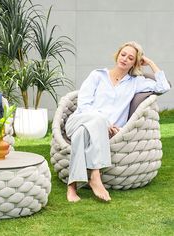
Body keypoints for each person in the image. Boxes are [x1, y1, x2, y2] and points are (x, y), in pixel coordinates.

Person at [65, 41, 171, 202]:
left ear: (134, 63)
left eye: (131, 58)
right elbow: (84, 105)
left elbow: (163, 86)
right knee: (94, 122)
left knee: (81, 134)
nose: (125, 59)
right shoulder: (97, 75)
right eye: (123, 54)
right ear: (117, 55)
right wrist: (105, 123)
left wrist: (149, 62)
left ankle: (72, 186)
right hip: (78, 121)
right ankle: (95, 175)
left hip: (95, 131)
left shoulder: (135, 83)